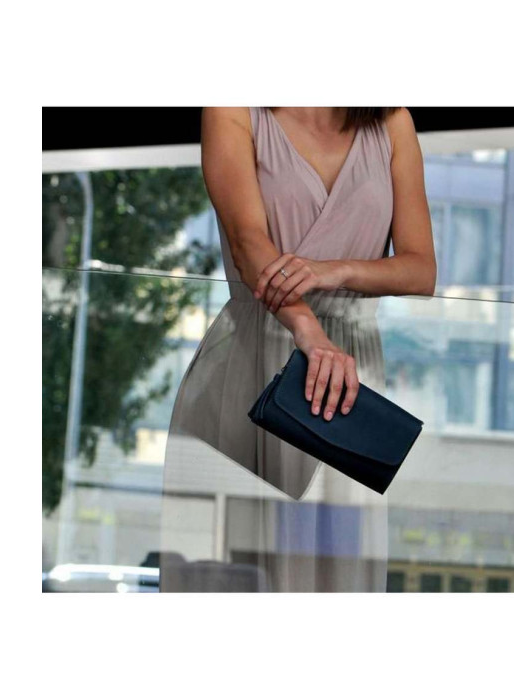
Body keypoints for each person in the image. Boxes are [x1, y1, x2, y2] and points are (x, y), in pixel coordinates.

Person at [160, 107, 436, 592]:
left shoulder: (391, 121)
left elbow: (421, 270)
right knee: (243, 569)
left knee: (337, 571)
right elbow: (247, 242)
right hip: (257, 361)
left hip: (348, 375)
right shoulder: (233, 109)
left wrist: (335, 270)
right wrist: (307, 330)